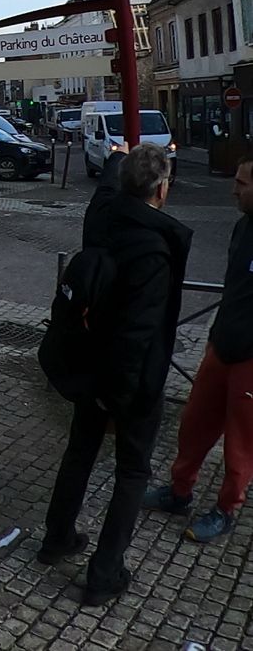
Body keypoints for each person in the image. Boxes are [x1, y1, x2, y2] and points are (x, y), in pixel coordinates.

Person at [38, 143, 190, 607]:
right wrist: (117, 396)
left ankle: (58, 537)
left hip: (88, 363)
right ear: (162, 191)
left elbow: (104, 192)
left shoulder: (103, 218)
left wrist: (115, 159)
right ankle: (105, 573)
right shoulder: (153, 251)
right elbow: (137, 333)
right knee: (132, 470)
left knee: (81, 451)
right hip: (129, 381)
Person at [142, 155, 253, 542]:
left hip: (250, 359)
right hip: (222, 344)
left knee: (241, 442)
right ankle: (178, 491)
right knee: (194, 424)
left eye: (243, 183)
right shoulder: (242, 228)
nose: (234, 189)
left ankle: (226, 509)